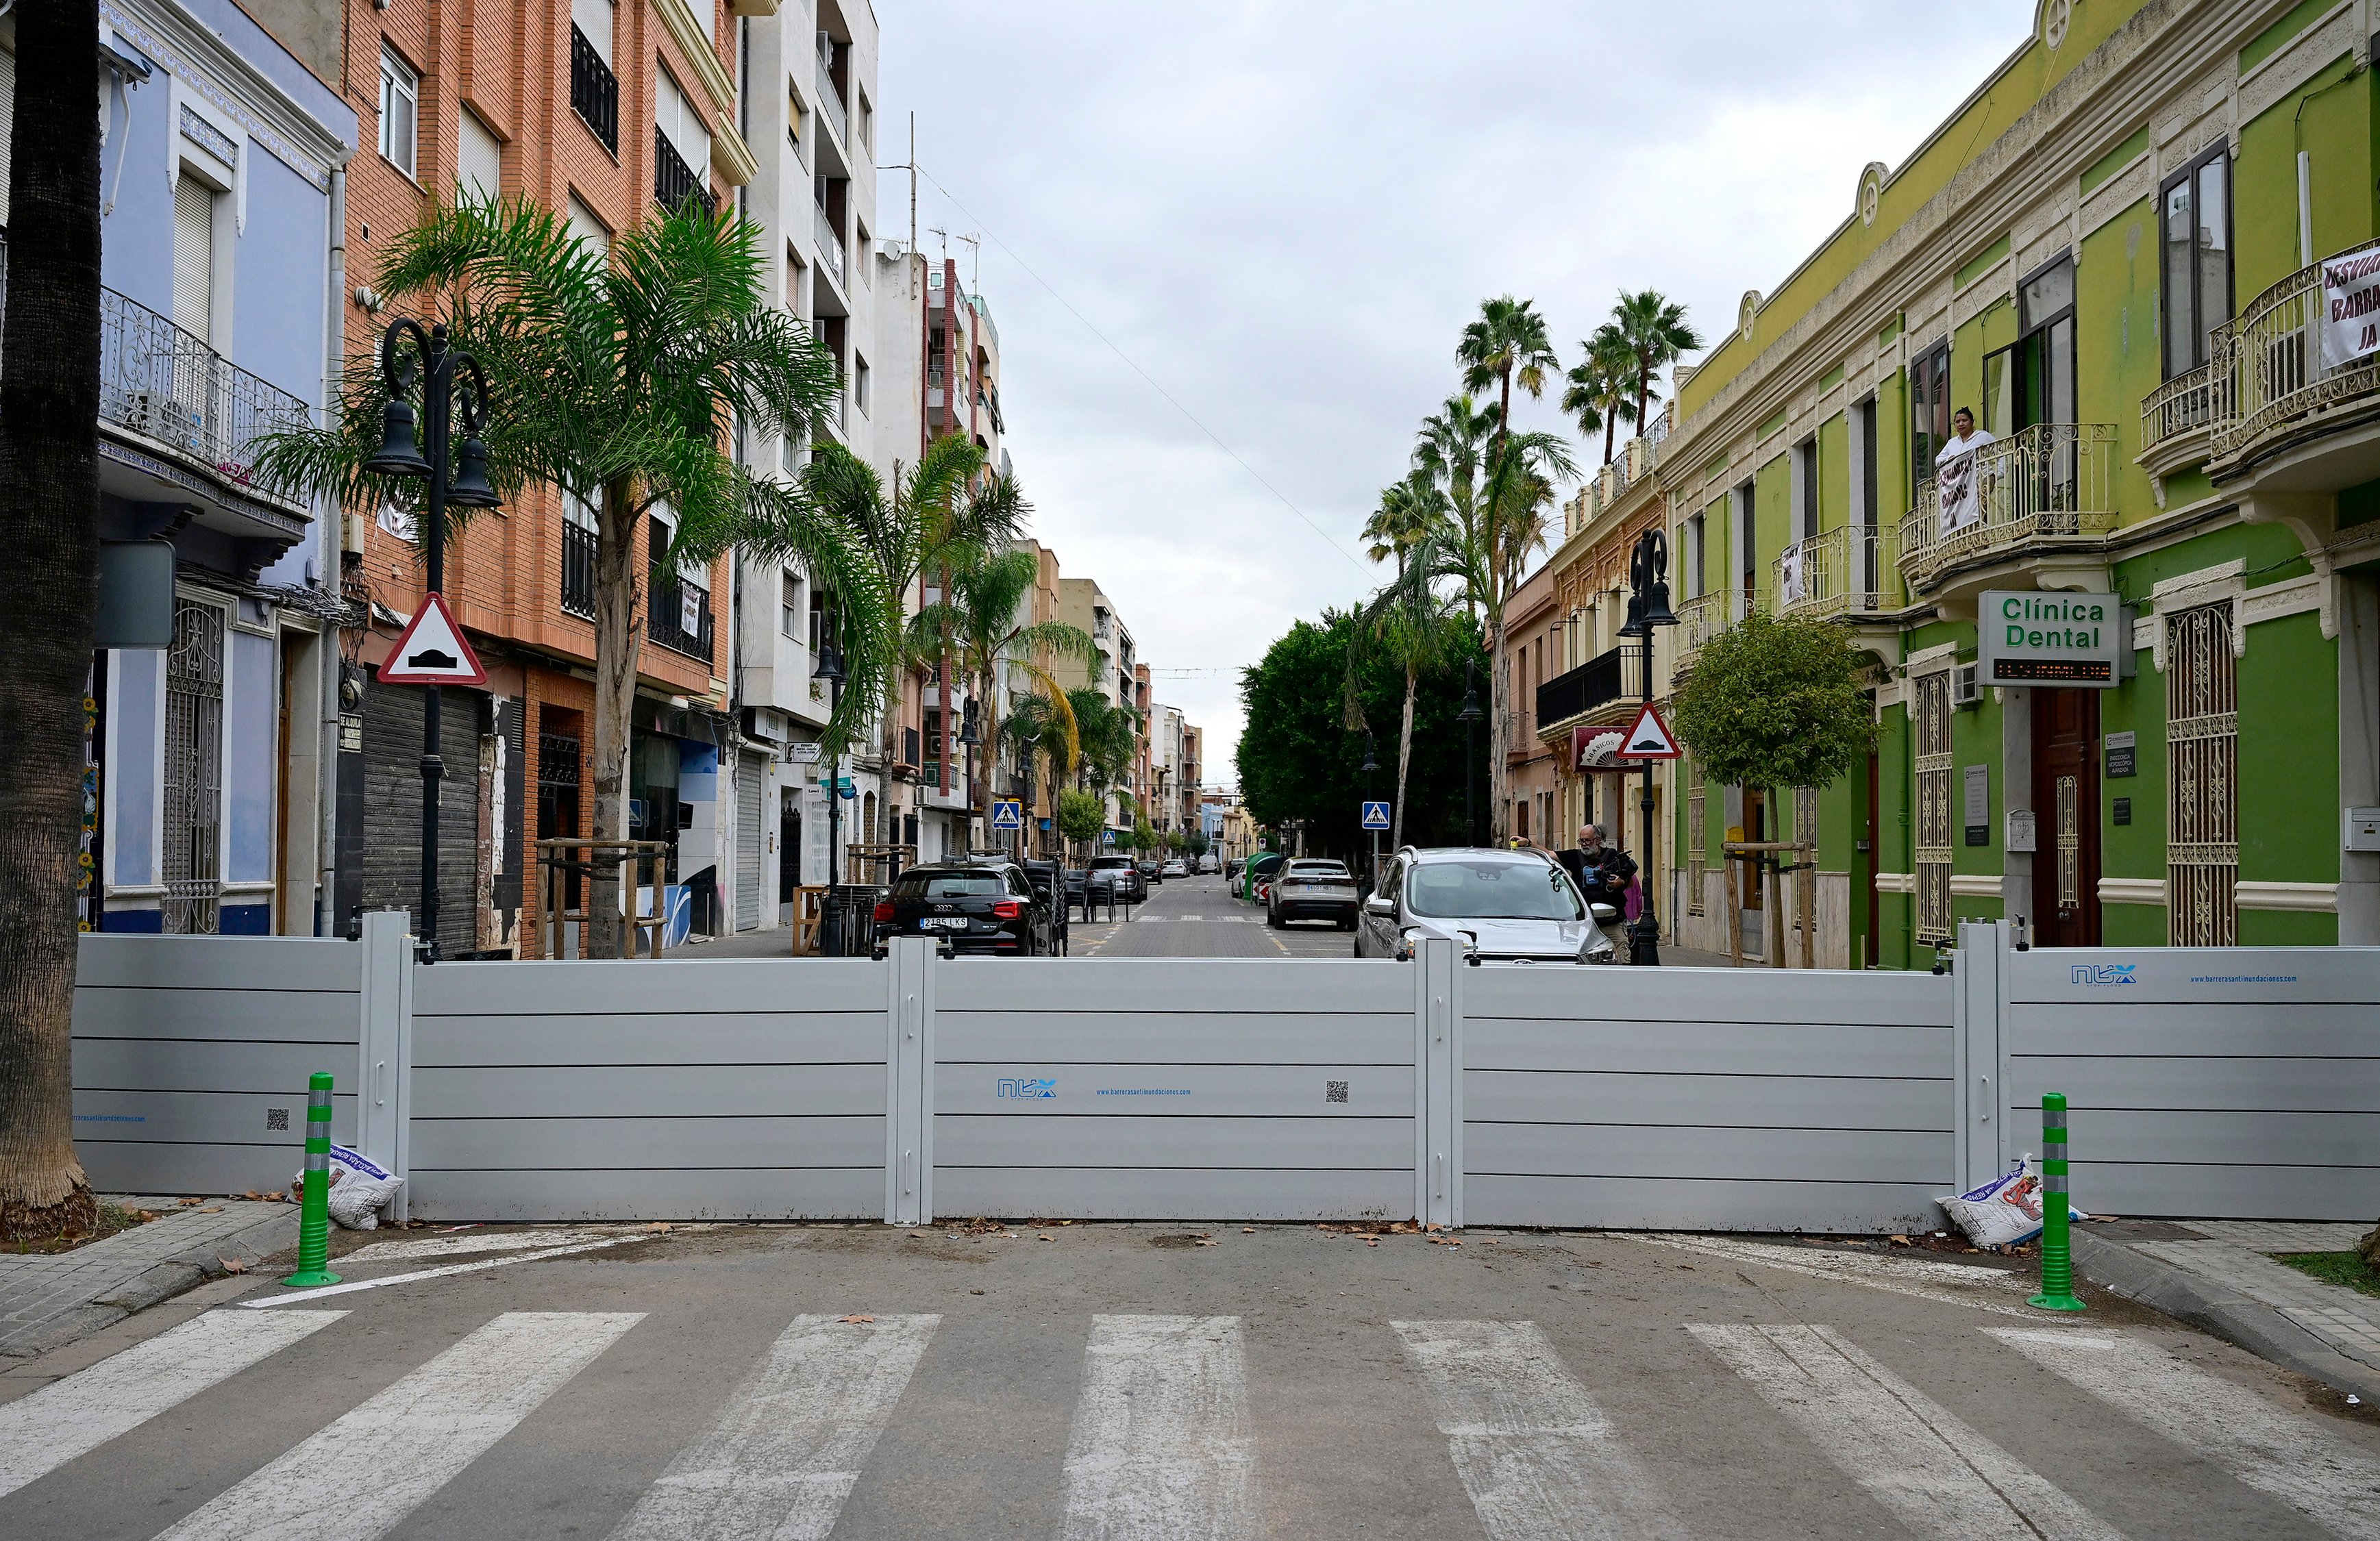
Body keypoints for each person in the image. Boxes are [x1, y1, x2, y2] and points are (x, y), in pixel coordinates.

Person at [1935, 407, 1997, 537]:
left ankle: (1980, 540)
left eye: (1964, 420)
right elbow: (1938, 460)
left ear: (1972, 422)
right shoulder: (1952, 443)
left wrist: (1998, 474)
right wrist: (1948, 459)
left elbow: (2000, 452)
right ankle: (1965, 543)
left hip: (1981, 478)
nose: (1961, 424)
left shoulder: (1983, 436)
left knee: (1979, 510)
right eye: (1957, 422)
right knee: (1962, 514)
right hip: (1960, 486)